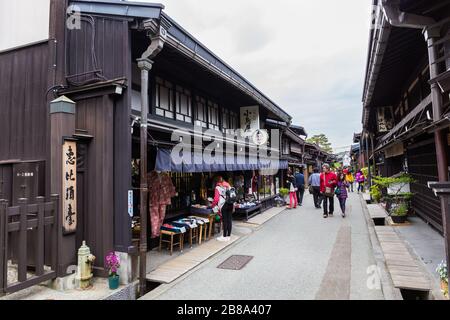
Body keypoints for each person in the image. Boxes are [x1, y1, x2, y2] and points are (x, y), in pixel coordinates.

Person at [211, 177, 233, 242]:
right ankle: (228, 236)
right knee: (229, 220)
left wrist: (212, 206)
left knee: (224, 221)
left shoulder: (217, 187)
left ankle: (224, 236)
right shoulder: (228, 184)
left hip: (223, 205)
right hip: (230, 204)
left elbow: (216, 199)